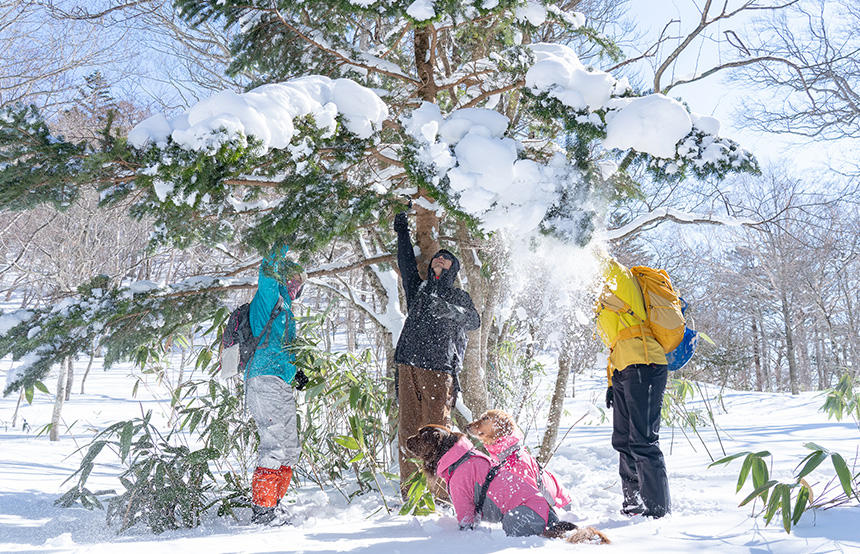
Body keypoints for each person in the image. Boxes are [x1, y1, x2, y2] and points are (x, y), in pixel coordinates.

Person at [393, 211, 481, 499]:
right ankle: (411, 495)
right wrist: (402, 231)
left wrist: (449, 310)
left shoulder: (458, 297)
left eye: (446, 259)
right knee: (408, 430)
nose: (440, 260)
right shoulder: (418, 289)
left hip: (439, 369)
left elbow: (474, 321)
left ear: (454, 269)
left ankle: (443, 495)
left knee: (438, 432)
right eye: (437, 258)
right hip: (407, 365)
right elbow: (406, 264)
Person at [595, 257, 671, 518]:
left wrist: (583, 243)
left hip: (645, 363)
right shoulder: (603, 297)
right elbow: (616, 343)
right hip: (622, 369)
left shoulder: (622, 279)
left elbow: (604, 261)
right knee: (623, 440)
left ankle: (657, 511)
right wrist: (610, 383)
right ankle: (633, 504)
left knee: (643, 440)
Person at [245, 247, 306, 525]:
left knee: (290, 449)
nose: (295, 285)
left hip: (280, 381)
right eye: (291, 279)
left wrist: (295, 373)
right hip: (262, 378)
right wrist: (282, 238)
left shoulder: (288, 311)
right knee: (273, 446)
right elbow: (267, 269)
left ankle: (275, 504)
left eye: (299, 282)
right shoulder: (270, 297)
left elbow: (281, 350)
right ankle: (263, 512)